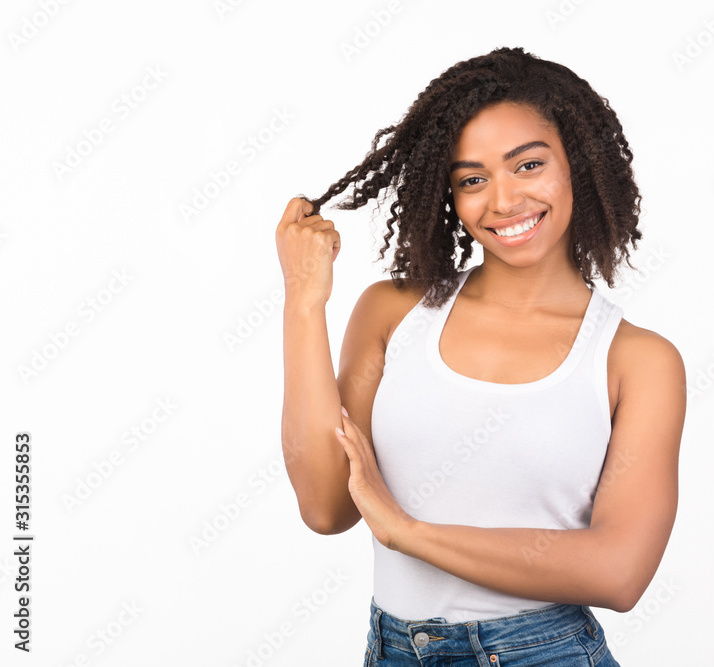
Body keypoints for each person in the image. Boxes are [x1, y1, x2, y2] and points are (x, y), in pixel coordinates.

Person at [275, 46, 685, 666]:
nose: (503, 199)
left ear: (578, 163)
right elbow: (325, 506)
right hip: (393, 650)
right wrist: (304, 303)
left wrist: (407, 532)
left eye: (529, 165)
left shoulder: (637, 361)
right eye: (472, 179)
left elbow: (620, 572)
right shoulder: (393, 314)